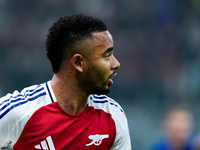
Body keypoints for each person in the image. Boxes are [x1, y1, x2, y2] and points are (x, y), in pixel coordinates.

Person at [0, 14, 132, 149]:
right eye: (107, 55)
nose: (116, 64)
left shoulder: (113, 117)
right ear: (78, 62)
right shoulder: (17, 113)